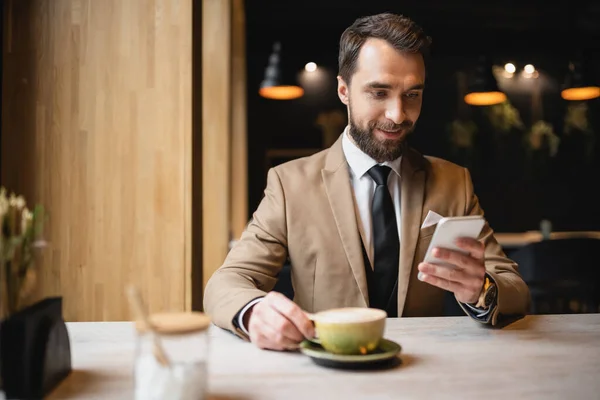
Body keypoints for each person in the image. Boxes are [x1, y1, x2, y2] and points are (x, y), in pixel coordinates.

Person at [204, 12, 530, 351]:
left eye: (412, 95)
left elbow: (515, 289)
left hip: (424, 373)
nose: (397, 114)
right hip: (328, 372)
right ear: (344, 90)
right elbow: (225, 283)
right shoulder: (289, 185)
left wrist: (482, 289)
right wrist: (254, 312)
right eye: (379, 92)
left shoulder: (454, 182)